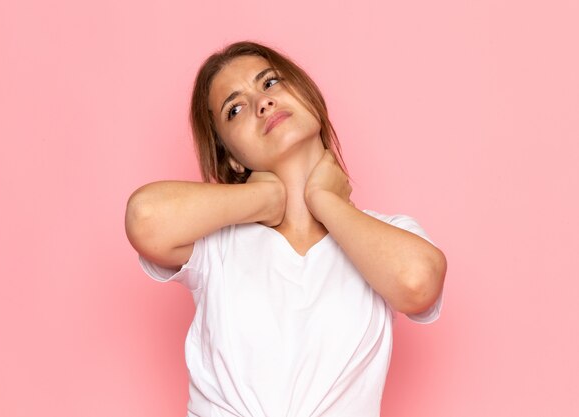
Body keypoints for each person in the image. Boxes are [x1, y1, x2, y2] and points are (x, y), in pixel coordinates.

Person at [125, 41, 447, 417]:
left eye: (271, 83)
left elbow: (417, 283)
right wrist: (264, 198)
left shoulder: (383, 234)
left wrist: (326, 202)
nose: (262, 103)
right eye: (235, 108)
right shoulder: (215, 245)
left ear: (307, 95)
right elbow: (144, 217)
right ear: (231, 155)